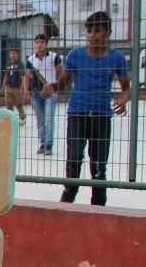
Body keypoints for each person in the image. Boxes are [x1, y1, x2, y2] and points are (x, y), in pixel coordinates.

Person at [42, 11, 130, 206]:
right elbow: (63, 82)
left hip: (101, 117)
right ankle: (67, 200)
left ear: (108, 32)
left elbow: (126, 89)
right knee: (73, 159)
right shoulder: (76, 55)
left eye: (97, 31)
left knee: (98, 167)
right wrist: (51, 86)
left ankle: (98, 207)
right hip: (77, 115)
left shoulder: (117, 59)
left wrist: (123, 100)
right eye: (89, 31)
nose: (92, 35)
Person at [24, 33, 63, 155]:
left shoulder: (54, 57)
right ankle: (42, 143)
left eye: (42, 42)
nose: (40, 44)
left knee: (49, 118)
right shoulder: (31, 59)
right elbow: (27, 76)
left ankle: (49, 145)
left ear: (46, 43)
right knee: (40, 119)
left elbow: (61, 73)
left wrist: (55, 86)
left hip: (50, 92)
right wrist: (26, 90)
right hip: (36, 92)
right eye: (37, 42)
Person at [1, 48, 26, 125]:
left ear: (17, 54)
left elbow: (23, 76)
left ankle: (22, 117)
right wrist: (3, 86)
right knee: (8, 104)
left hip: (17, 87)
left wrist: (23, 88)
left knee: (18, 104)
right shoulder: (8, 65)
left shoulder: (20, 64)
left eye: (14, 53)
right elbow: (6, 76)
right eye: (11, 53)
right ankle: (10, 120)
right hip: (8, 87)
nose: (12, 55)